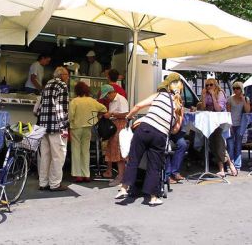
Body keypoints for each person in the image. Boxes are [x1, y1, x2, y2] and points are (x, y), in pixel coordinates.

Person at [115, 73, 184, 206]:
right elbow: (175, 129)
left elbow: (138, 106)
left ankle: (124, 188)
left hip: (144, 129)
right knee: (154, 166)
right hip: (160, 136)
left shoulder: (159, 95)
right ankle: (153, 198)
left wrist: (129, 117)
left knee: (133, 159)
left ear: (167, 85)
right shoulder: (179, 105)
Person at [37, 66, 70, 191]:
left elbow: (40, 106)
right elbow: (61, 107)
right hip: (56, 126)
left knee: (45, 155)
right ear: (61, 75)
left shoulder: (47, 85)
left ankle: (43, 182)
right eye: (67, 74)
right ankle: (55, 184)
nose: (68, 77)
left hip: (43, 126)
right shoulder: (62, 86)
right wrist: (64, 126)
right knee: (58, 155)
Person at [69, 81, 107, 182]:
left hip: (76, 128)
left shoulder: (74, 101)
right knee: (85, 151)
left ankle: (78, 175)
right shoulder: (92, 100)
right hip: (88, 128)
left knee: (76, 151)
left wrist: (70, 122)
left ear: (77, 91)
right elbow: (104, 109)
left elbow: (70, 116)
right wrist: (97, 116)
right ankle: (86, 174)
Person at [200, 78, 237, 177]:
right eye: (206, 85)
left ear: (215, 85)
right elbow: (203, 108)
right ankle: (229, 164)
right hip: (210, 121)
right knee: (213, 144)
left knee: (219, 143)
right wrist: (203, 97)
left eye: (211, 85)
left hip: (220, 121)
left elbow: (218, 109)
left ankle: (222, 168)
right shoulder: (206, 94)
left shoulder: (220, 93)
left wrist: (212, 95)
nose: (208, 87)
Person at [99, 84, 129, 187]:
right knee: (116, 152)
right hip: (114, 126)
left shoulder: (121, 99)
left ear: (111, 93)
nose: (106, 98)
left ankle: (121, 176)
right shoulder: (113, 101)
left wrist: (111, 114)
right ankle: (121, 176)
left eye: (107, 96)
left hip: (120, 127)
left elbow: (126, 114)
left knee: (120, 152)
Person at [226, 82, 250, 172]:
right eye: (234, 88)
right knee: (230, 145)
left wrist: (243, 100)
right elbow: (228, 113)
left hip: (241, 124)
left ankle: (238, 165)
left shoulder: (246, 99)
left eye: (238, 88)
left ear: (241, 89)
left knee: (238, 145)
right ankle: (230, 165)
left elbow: (248, 111)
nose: (236, 90)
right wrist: (230, 124)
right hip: (232, 124)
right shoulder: (230, 99)